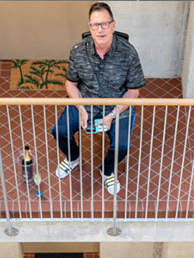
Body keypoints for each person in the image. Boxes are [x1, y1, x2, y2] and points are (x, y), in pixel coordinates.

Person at [50, 2, 146, 195]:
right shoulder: (77, 51)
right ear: (89, 27)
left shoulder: (129, 53)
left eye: (104, 24)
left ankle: (107, 170)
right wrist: (81, 108)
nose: (100, 29)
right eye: (95, 25)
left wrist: (112, 115)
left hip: (117, 106)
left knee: (122, 145)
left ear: (113, 25)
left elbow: (133, 91)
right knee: (59, 130)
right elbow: (71, 84)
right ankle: (73, 157)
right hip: (86, 103)